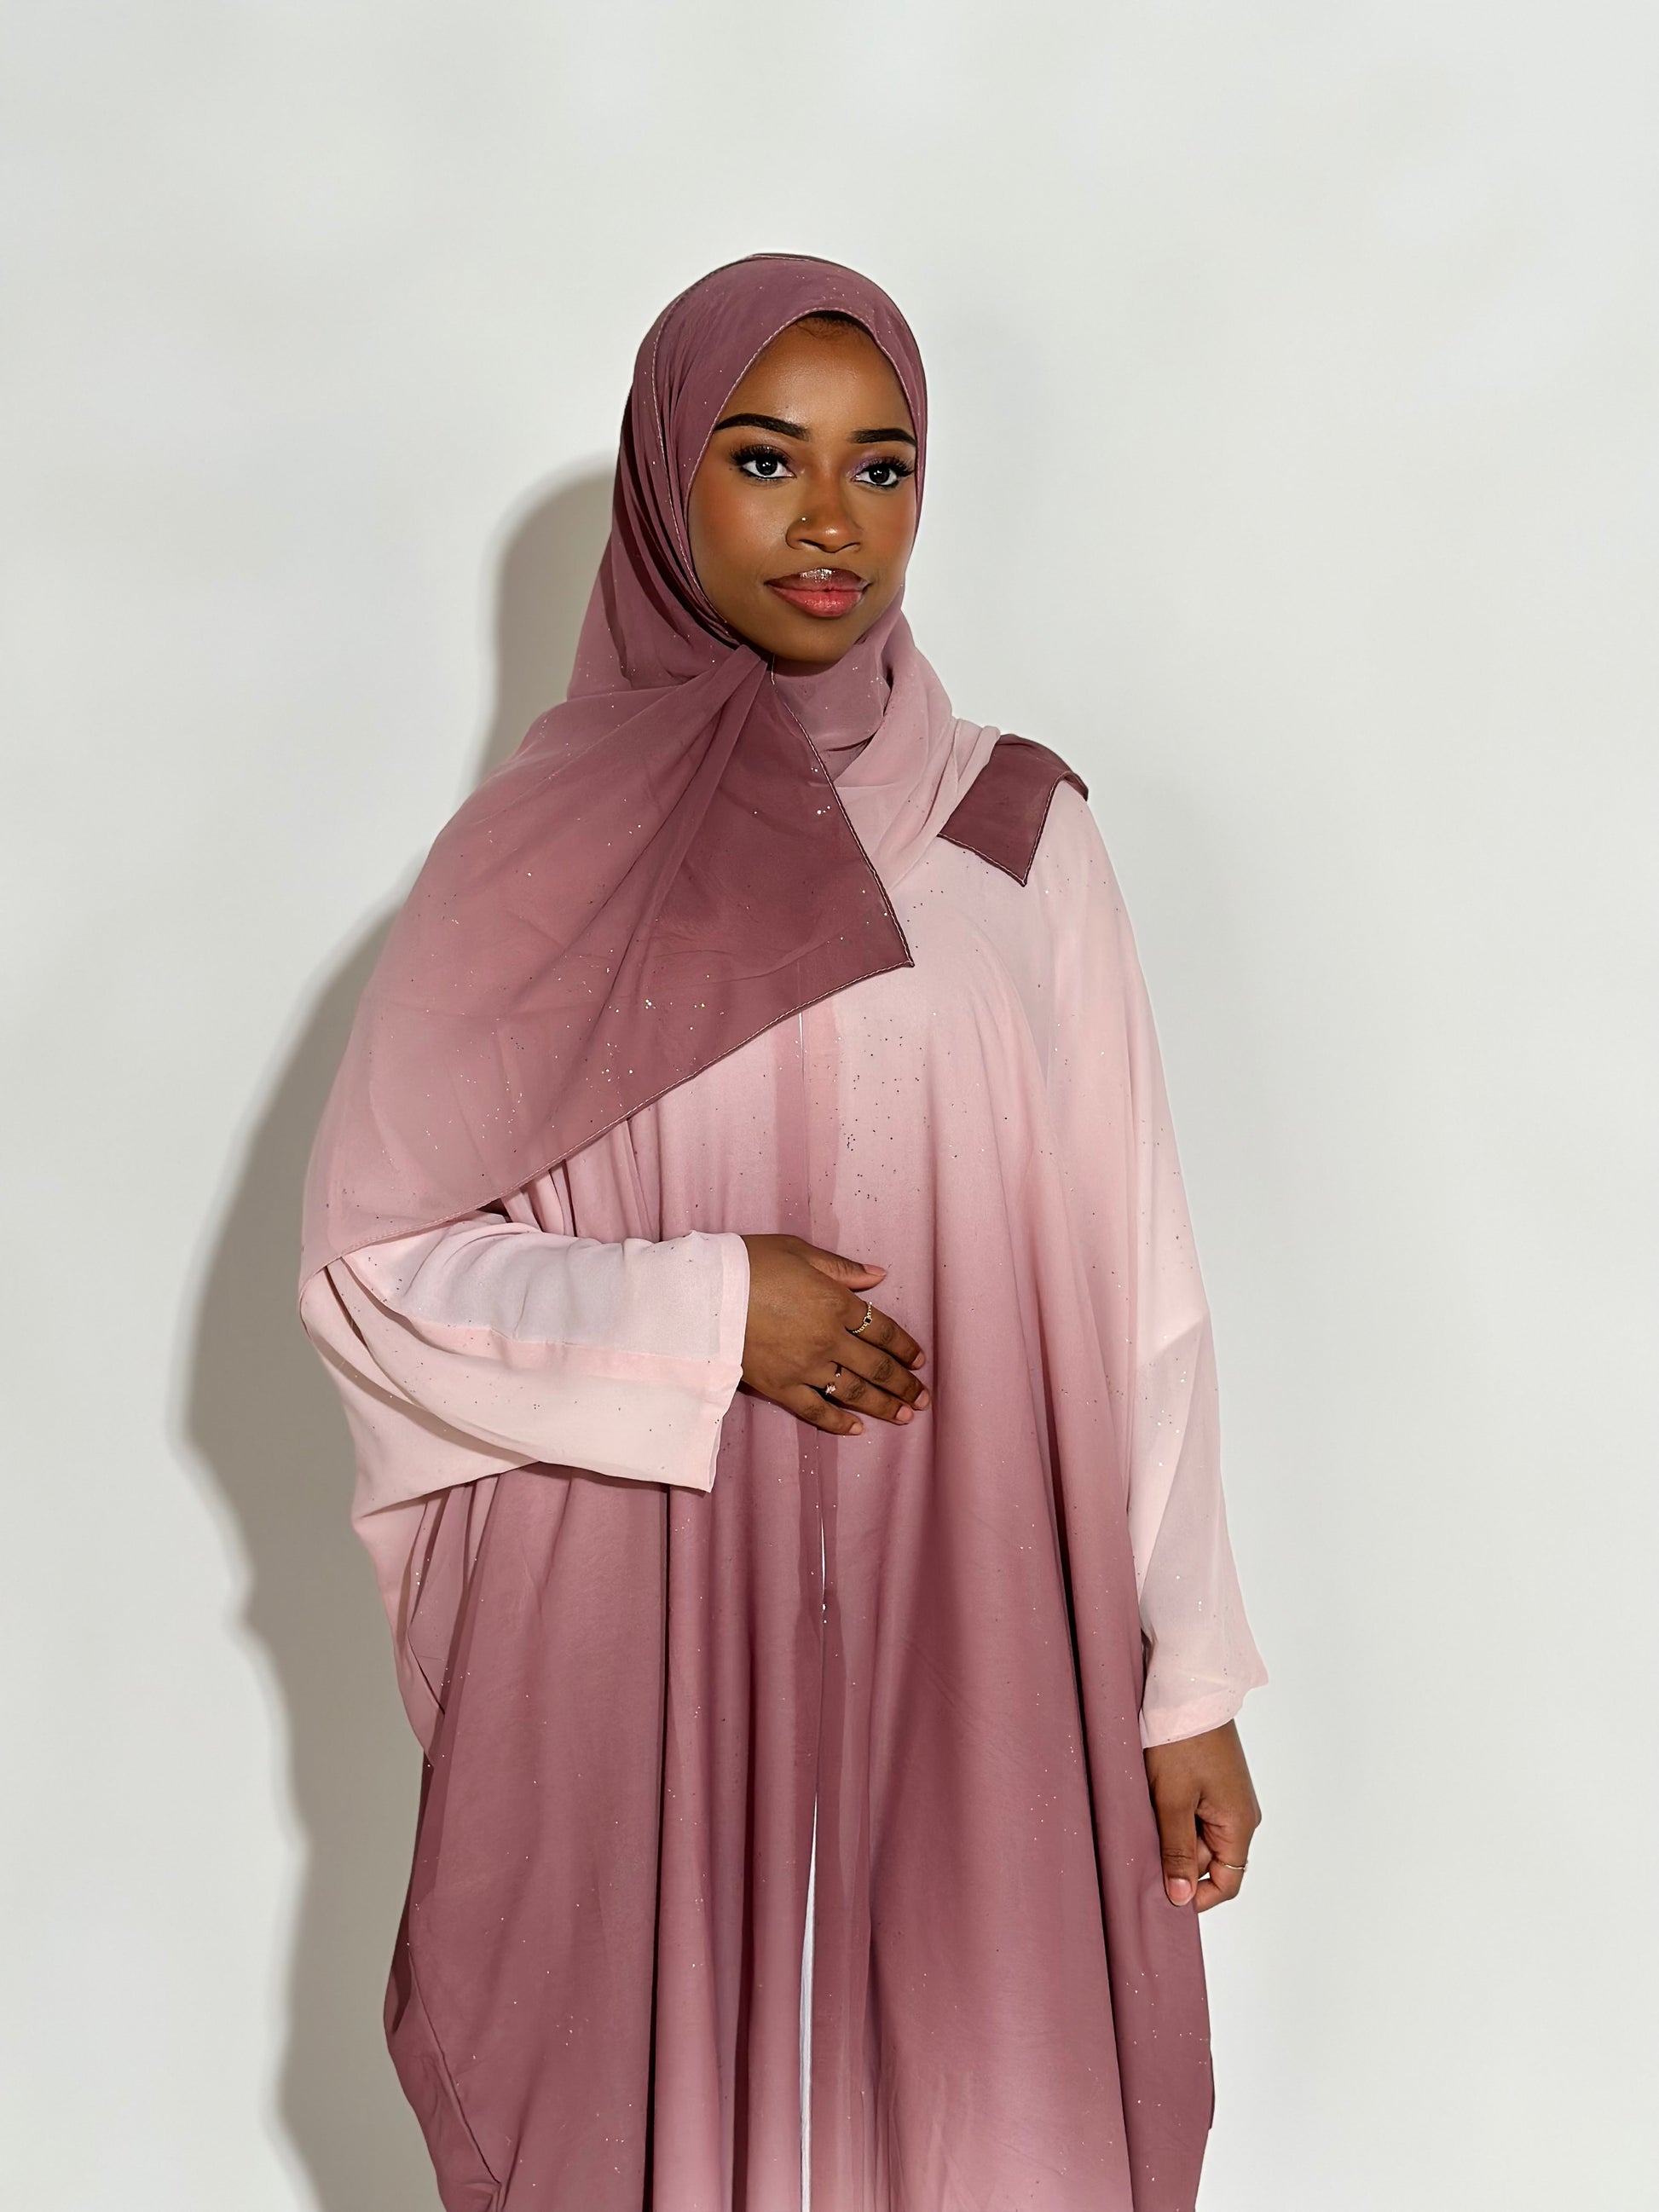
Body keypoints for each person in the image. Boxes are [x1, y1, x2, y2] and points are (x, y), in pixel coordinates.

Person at [298, 252, 1268, 2212]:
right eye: (765, 459)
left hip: (982, 1597)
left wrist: (1188, 1685)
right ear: (670, 482)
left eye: (880, 466)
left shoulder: (1016, 832)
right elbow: (372, 1268)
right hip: (647, 1609)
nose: (831, 520)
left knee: (989, 2091)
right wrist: (709, 1307)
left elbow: (1138, 1284)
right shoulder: (536, 860)